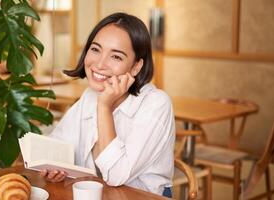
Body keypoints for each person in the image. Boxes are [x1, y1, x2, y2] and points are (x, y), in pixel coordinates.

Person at [39, 12, 175, 197]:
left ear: (136, 66)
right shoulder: (90, 96)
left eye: (116, 57)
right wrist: (55, 166)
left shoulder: (156, 104)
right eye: (95, 49)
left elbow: (115, 176)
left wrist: (104, 107)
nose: (100, 64)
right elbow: (58, 144)